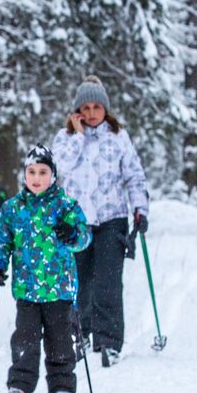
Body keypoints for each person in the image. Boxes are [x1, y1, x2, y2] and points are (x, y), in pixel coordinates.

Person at [50, 76, 149, 367]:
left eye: (97, 106)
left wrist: (140, 209)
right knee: (76, 281)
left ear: (105, 108)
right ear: (77, 110)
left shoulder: (118, 137)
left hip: (111, 218)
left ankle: (108, 341)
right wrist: (78, 135)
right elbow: (56, 170)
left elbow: (134, 176)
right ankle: (77, 334)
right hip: (75, 221)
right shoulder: (65, 138)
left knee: (107, 282)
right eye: (86, 107)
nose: (92, 112)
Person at [0, 146, 91, 393]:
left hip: (60, 289)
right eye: (31, 172)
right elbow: (0, 237)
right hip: (27, 289)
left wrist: (73, 234)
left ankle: (62, 386)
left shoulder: (66, 206)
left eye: (43, 172)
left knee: (60, 341)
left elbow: (84, 237)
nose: (36, 177)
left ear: (53, 176)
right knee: (25, 339)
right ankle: (20, 382)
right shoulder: (13, 208)